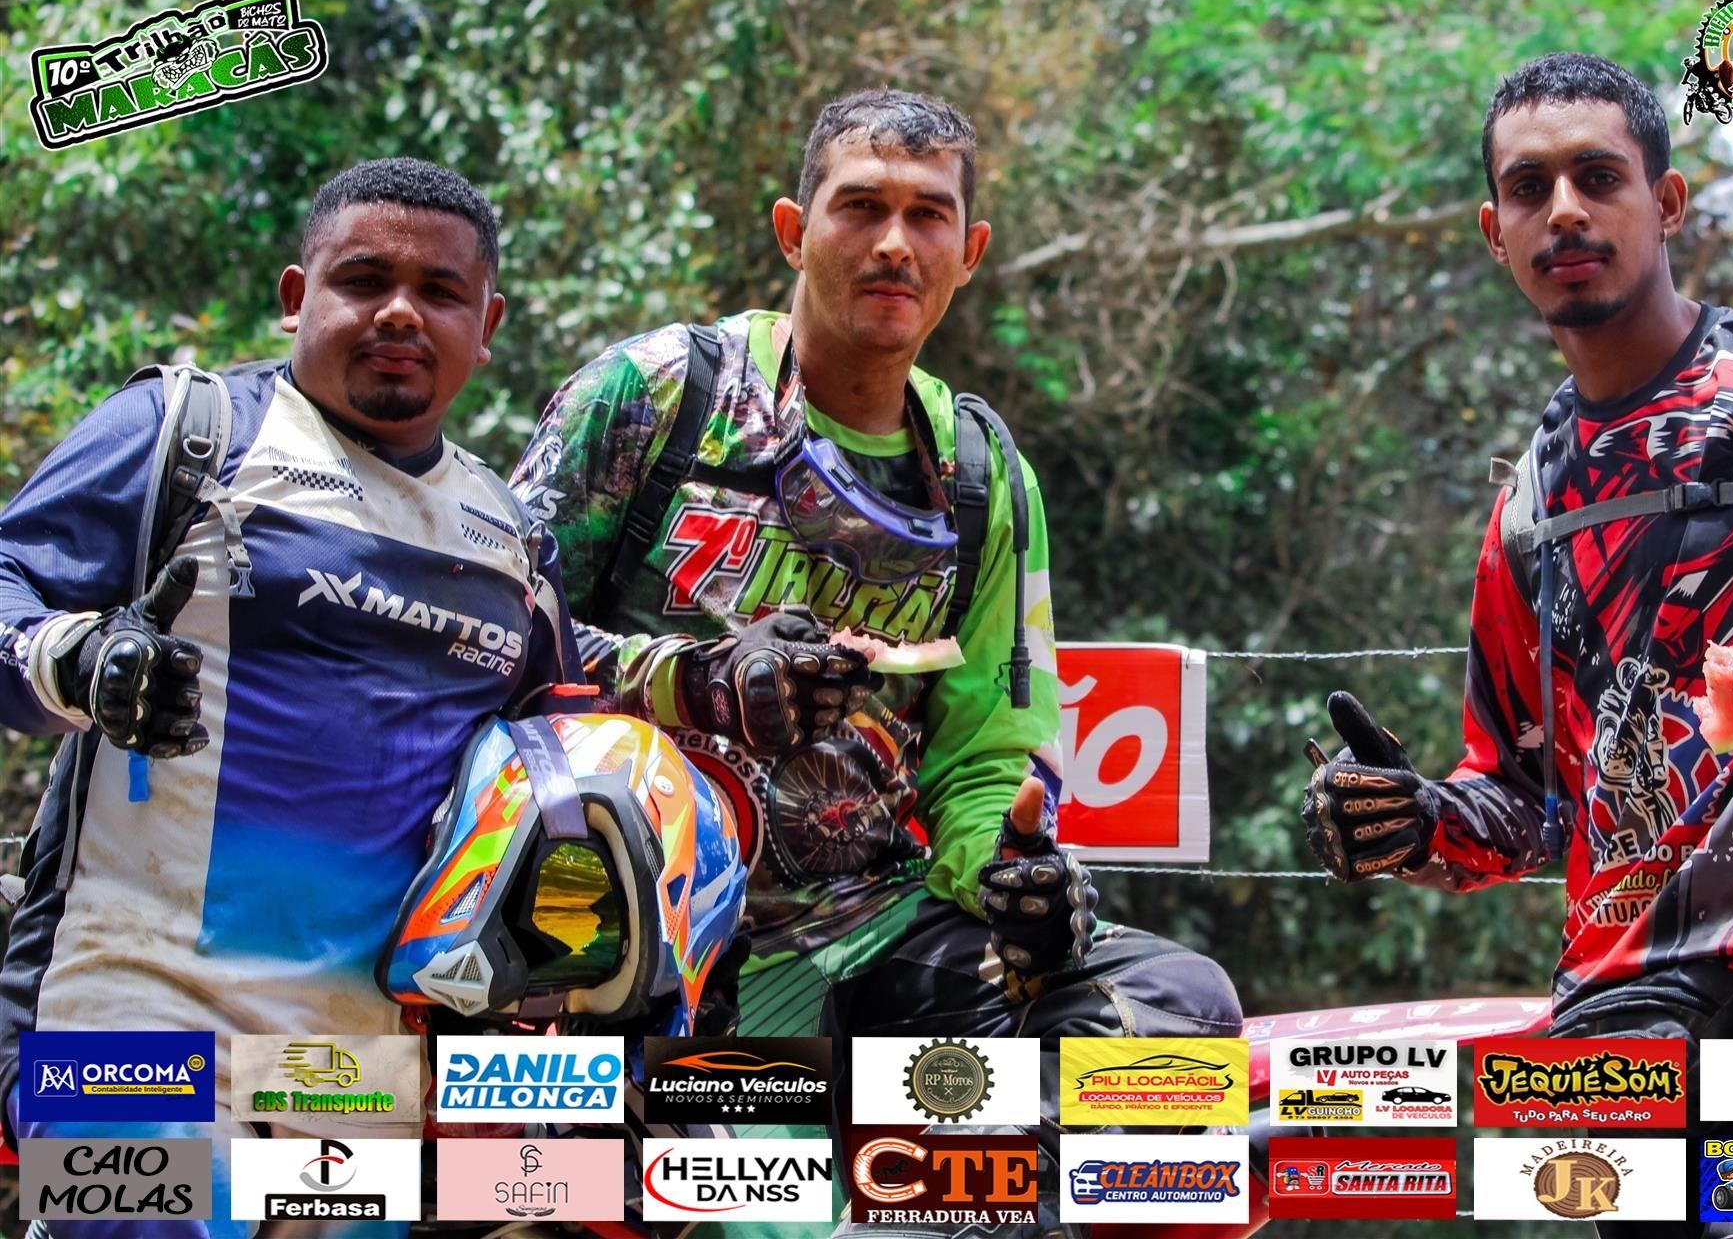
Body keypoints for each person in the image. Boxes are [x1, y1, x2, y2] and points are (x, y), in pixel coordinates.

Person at [511, 87, 1242, 1232]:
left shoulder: (981, 473)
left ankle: (942, 1209)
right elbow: (496, 632)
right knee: (699, 1193)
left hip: (870, 941)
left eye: (927, 214)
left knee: (1177, 1017)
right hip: (638, 947)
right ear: (793, 230)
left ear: (969, 252)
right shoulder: (661, 395)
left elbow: (986, 753)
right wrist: (695, 678)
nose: (895, 242)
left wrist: (1013, 878)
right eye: (860, 206)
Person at [1300, 53, 1733, 1239]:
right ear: (1495, 231)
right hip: (1615, 1017)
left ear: (1667, 202)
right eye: (1529, 188)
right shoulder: (1528, 506)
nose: (1565, 211)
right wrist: (1412, 819)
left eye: (1599, 176)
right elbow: (1525, 797)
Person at [0, 157, 579, 1237]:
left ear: (487, 325)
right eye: (363, 280)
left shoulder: (511, 541)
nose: (399, 311)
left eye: (440, 291)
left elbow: (564, 767)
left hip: (355, 1065)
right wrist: (79, 659)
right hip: (130, 1004)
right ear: (295, 296)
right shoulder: (186, 435)